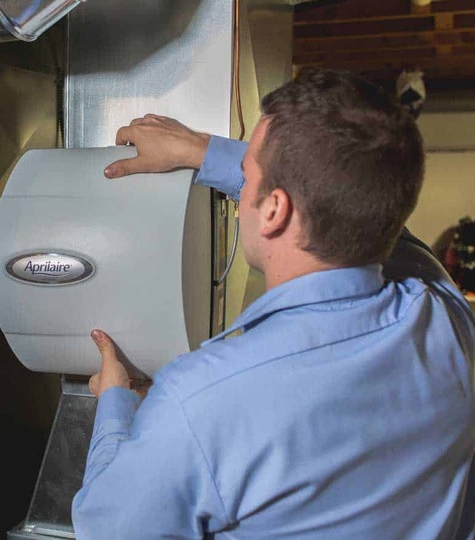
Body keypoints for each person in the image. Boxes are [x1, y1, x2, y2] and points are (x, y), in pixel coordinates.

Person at [70, 68, 475, 539]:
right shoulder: (449, 320)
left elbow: (106, 530)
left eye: (246, 175)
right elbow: (370, 208)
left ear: (277, 209)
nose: (241, 189)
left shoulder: (202, 399)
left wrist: (116, 404)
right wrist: (203, 151)